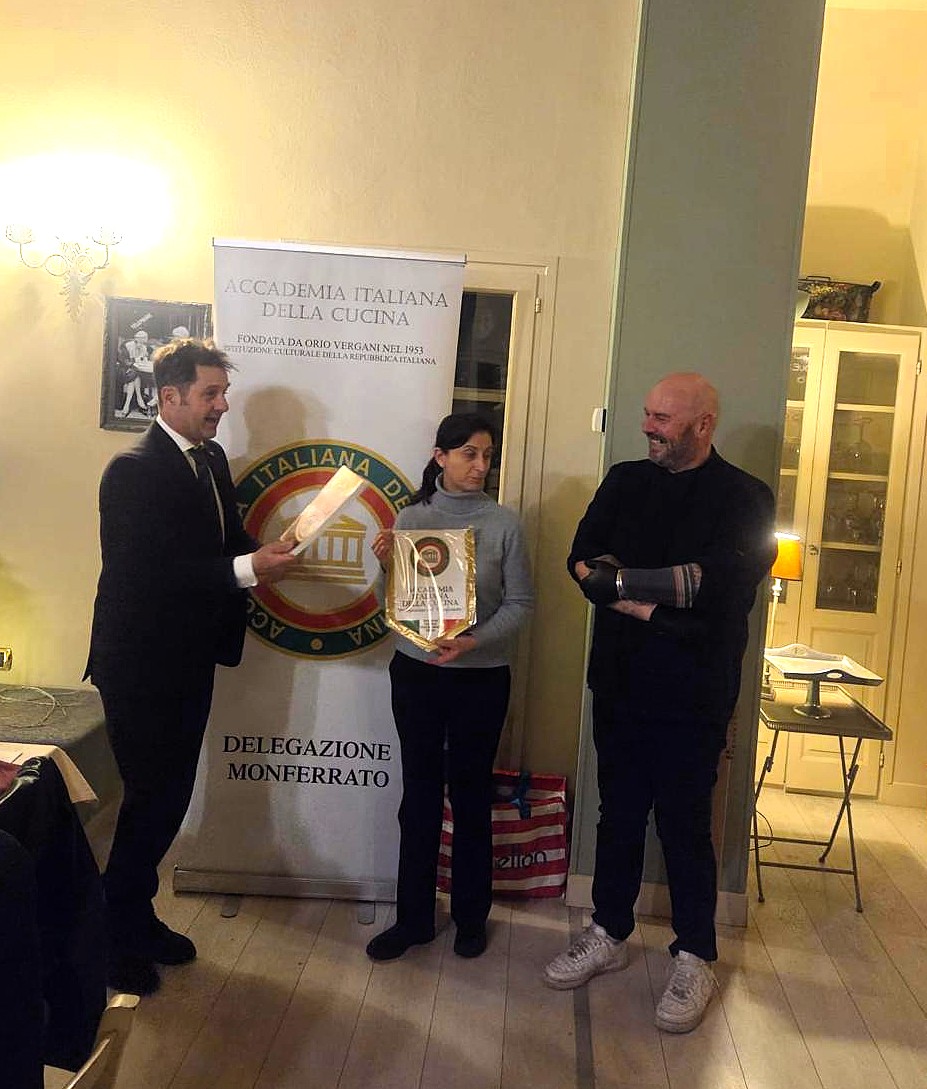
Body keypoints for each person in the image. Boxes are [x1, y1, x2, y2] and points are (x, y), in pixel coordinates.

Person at [543, 373, 775, 1033]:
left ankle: (695, 954)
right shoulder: (624, 481)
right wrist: (659, 604)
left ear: (703, 424)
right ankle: (608, 931)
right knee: (616, 814)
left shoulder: (745, 496)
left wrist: (620, 588)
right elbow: (580, 562)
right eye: (647, 414)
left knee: (685, 824)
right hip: (618, 682)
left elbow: (718, 587)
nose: (647, 426)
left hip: (694, 693)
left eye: (662, 418)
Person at [85, 338, 300, 995]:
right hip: (140, 664)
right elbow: (149, 575)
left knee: (169, 798)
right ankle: (108, 935)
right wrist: (247, 568)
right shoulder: (131, 471)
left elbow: (222, 542)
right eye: (210, 393)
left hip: (187, 658)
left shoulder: (208, 459)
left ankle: (135, 914)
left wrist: (263, 553)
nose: (222, 405)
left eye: (223, 393)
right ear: (170, 395)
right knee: (148, 801)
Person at [365, 413, 534, 961]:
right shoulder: (411, 518)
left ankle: (470, 917)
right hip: (416, 673)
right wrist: (385, 567)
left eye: (488, 456)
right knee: (418, 796)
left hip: (481, 679)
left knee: (470, 796)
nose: (481, 466)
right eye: (469, 454)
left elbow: (521, 604)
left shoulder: (505, 524)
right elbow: (388, 606)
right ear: (440, 457)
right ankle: (413, 919)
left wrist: (474, 641)